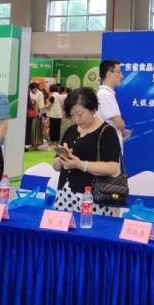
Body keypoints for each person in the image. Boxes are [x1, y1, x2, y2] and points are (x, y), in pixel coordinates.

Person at [52, 87, 122, 216]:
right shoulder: (71, 130)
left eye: (80, 114)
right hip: (65, 195)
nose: (76, 119)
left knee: (89, 227)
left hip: (93, 198)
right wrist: (62, 158)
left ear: (93, 109)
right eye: (72, 115)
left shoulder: (107, 132)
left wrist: (80, 164)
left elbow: (113, 167)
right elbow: (56, 166)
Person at [97, 59, 126, 152]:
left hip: (109, 143)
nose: (121, 76)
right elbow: (119, 123)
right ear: (109, 74)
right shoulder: (106, 94)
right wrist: (123, 126)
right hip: (110, 145)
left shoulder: (106, 93)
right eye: (119, 72)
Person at [25, 83, 44, 149]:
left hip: (37, 111)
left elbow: (41, 104)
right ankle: (31, 143)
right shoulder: (30, 93)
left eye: (32, 89)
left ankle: (36, 144)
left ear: (35, 88)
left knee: (36, 128)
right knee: (31, 128)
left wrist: (40, 112)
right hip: (30, 112)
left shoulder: (40, 93)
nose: (31, 91)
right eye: (30, 90)